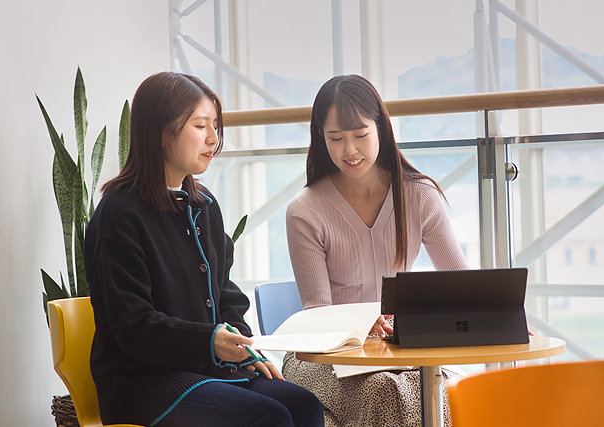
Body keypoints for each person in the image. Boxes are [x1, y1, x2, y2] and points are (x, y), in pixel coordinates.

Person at [85, 72, 324, 427]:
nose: (213, 137)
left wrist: (242, 349)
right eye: (200, 125)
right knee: (266, 417)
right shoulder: (120, 213)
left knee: (304, 405)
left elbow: (226, 295)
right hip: (142, 382)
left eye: (215, 125)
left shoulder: (204, 205)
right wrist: (209, 342)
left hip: (208, 369)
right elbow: (133, 325)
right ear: (161, 134)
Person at [283, 74, 469, 427]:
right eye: (335, 138)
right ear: (320, 137)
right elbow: (318, 312)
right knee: (389, 392)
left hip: (401, 351)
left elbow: (461, 286)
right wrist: (359, 323)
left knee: (436, 390)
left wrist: (500, 314)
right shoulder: (305, 210)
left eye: (360, 135)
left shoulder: (419, 195)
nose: (349, 150)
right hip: (321, 357)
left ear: (381, 128)